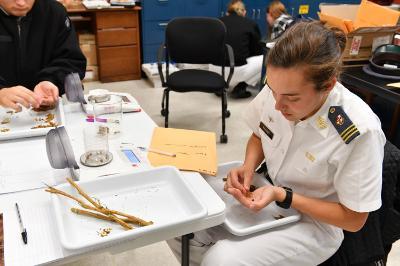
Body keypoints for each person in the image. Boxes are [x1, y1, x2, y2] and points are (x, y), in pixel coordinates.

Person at [168, 21, 386, 265]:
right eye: (272, 91)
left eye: (291, 98)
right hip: (269, 189)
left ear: (327, 86)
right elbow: (259, 135)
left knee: (221, 260)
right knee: (178, 216)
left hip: (314, 224)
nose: (277, 105)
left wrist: (283, 195)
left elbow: (354, 219)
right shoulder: (281, 87)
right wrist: (248, 168)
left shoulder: (359, 130)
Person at [0, 0, 86, 111]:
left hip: (47, 112)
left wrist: (50, 80)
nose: (21, 3)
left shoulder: (54, 12)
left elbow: (71, 60)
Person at [210, 0, 263, 99]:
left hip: (214, 70)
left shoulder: (217, 22)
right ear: (244, 12)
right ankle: (240, 87)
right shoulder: (250, 23)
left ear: (227, 12)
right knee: (265, 59)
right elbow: (257, 51)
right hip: (236, 70)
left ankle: (218, 86)